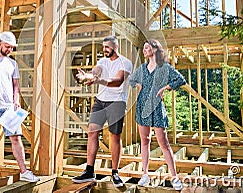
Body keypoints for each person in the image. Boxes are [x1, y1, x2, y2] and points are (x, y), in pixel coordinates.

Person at [0, 31, 40, 187]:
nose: (9, 49)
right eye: (7, 46)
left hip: (8, 107)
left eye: (12, 47)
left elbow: (15, 85)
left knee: (16, 138)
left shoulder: (12, 64)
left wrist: (16, 100)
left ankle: (24, 172)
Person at [72, 36, 133, 188]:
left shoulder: (125, 63)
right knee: (92, 132)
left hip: (117, 102)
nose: (104, 49)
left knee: (115, 137)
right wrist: (89, 76)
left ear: (115, 47)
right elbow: (96, 71)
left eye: (107, 47)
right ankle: (89, 170)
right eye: (104, 46)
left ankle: (115, 172)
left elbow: (118, 81)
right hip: (100, 101)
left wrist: (99, 81)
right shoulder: (102, 61)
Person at [129, 39, 186, 190]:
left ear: (155, 49)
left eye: (147, 47)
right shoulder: (142, 68)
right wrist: (138, 84)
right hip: (142, 106)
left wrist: (166, 87)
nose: (144, 50)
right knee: (145, 141)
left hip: (156, 107)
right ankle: (145, 174)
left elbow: (181, 79)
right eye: (143, 48)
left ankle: (174, 177)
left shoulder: (164, 67)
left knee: (164, 143)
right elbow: (130, 80)